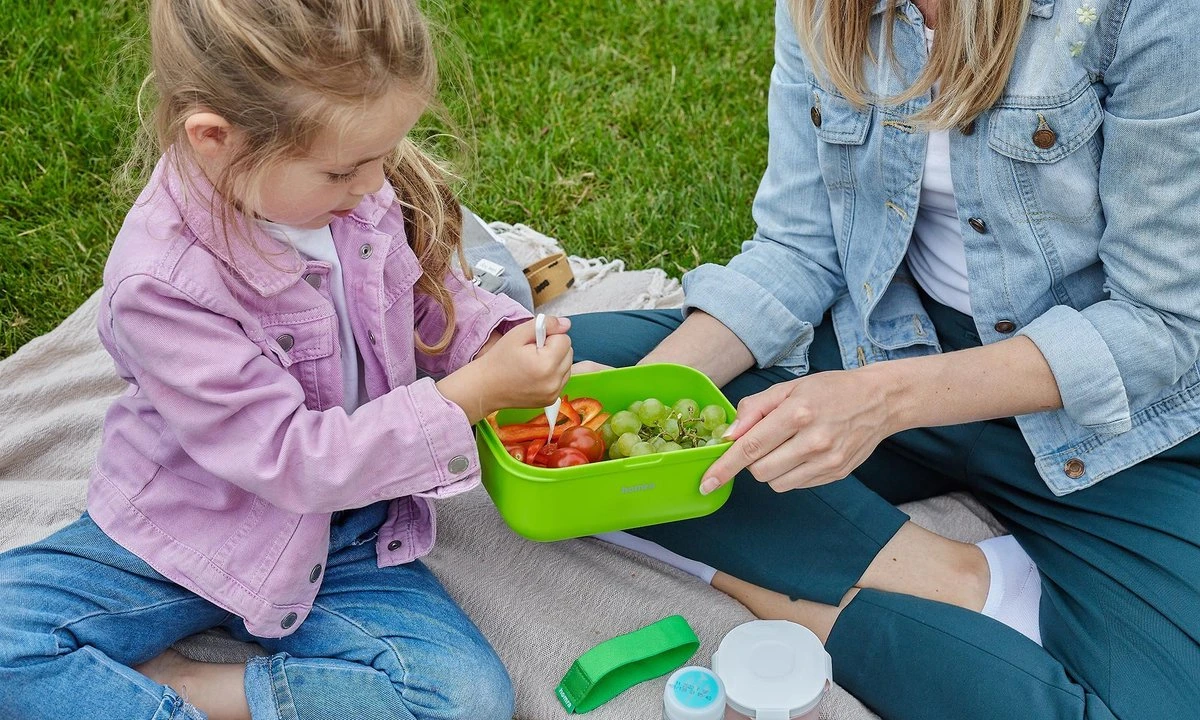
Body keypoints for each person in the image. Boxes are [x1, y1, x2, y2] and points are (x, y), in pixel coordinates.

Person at [572, 0, 1200, 717]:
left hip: (1104, 420)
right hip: (893, 340)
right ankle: (955, 579)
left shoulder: (1149, 13)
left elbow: (1161, 322)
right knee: (558, 388)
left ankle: (790, 587)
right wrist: (639, 398)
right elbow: (800, 247)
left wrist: (880, 402)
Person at [0, 1, 576, 718]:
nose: (373, 186)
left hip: (346, 534)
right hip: (191, 531)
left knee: (463, 699)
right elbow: (289, 460)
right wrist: (464, 399)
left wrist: (495, 345)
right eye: (343, 170)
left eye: (383, 157)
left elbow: (429, 303)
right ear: (216, 139)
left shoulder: (354, 196)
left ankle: (197, 688)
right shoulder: (164, 285)